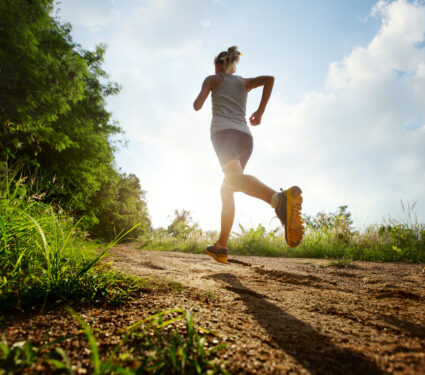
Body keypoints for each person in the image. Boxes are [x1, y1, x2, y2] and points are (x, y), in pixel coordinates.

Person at [193, 46, 304, 264]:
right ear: (233, 67)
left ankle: (278, 199)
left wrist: (208, 87)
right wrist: (260, 112)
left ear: (218, 66)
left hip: (223, 134)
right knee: (228, 188)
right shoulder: (243, 82)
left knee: (234, 181)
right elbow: (269, 79)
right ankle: (221, 246)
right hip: (245, 137)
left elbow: (197, 105)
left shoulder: (212, 79)